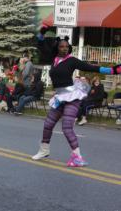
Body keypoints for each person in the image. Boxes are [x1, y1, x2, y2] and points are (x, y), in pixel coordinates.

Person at [32, 33, 121, 167]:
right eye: (61, 46)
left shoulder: (72, 60)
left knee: (67, 127)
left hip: (72, 97)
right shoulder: (54, 59)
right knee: (48, 125)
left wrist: (113, 70)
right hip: (59, 97)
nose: (64, 48)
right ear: (57, 48)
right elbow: (40, 44)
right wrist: (42, 33)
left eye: (66, 47)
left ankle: (77, 157)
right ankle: (44, 150)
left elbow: (91, 67)